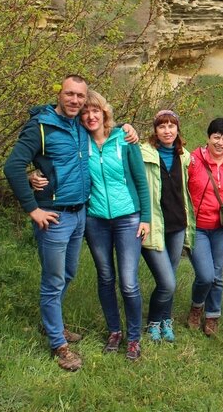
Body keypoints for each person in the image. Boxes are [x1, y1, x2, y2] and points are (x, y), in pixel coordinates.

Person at [4, 75, 92, 371]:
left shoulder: (80, 124)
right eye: (70, 94)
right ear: (59, 94)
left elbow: (105, 123)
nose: (75, 101)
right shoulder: (41, 126)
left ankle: (50, 322)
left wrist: (128, 128)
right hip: (53, 215)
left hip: (79, 213)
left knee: (68, 272)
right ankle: (59, 344)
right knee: (53, 280)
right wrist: (32, 208)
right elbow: (13, 165)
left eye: (80, 96)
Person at [80, 90, 151, 361]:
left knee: (129, 283)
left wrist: (145, 217)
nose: (90, 116)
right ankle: (114, 331)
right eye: (85, 111)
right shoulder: (79, 141)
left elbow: (140, 180)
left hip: (128, 218)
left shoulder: (124, 138)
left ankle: (134, 337)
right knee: (106, 277)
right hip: (95, 219)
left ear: (104, 112)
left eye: (95, 110)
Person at [140, 109, 195, 343]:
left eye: (172, 126)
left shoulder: (184, 156)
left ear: (177, 129)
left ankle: (166, 320)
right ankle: (153, 321)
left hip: (177, 225)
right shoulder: (144, 153)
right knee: (167, 282)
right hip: (153, 225)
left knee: (170, 276)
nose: (167, 130)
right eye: (162, 126)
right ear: (155, 130)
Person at [186, 117, 223, 336]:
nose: (220, 142)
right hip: (197, 227)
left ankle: (212, 316)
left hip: (220, 228)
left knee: (217, 275)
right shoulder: (193, 159)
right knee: (205, 275)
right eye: (216, 136)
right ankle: (197, 306)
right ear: (208, 137)